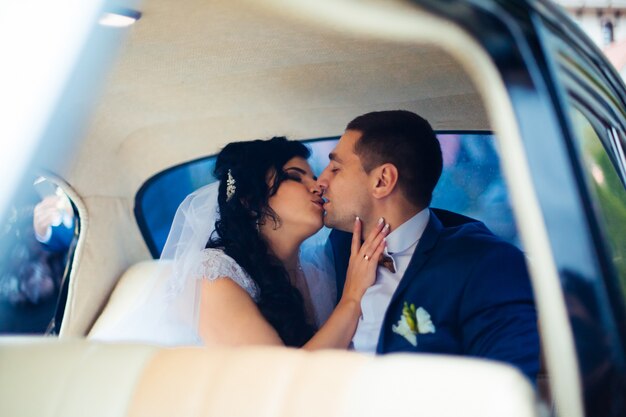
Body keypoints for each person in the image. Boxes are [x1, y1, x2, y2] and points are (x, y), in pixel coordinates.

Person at [91, 137, 387, 349]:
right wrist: (351, 298)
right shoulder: (212, 277)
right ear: (251, 199)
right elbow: (277, 381)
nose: (318, 185)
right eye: (296, 177)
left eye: (313, 175)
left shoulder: (315, 272)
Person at [317, 110, 540, 380]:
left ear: (382, 181)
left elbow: (509, 389)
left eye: (336, 169)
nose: (321, 183)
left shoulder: (486, 263)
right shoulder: (337, 249)